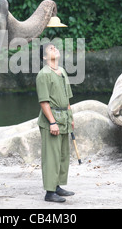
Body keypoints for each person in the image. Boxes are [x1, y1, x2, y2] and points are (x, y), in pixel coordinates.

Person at [36, 43, 75, 203]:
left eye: (54, 47)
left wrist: (71, 118)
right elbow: (44, 102)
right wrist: (52, 122)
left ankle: (57, 186)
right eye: (50, 49)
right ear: (45, 57)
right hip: (52, 120)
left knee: (63, 155)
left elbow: (66, 98)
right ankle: (49, 192)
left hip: (64, 118)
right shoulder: (43, 75)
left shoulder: (62, 72)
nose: (55, 49)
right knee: (51, 156)